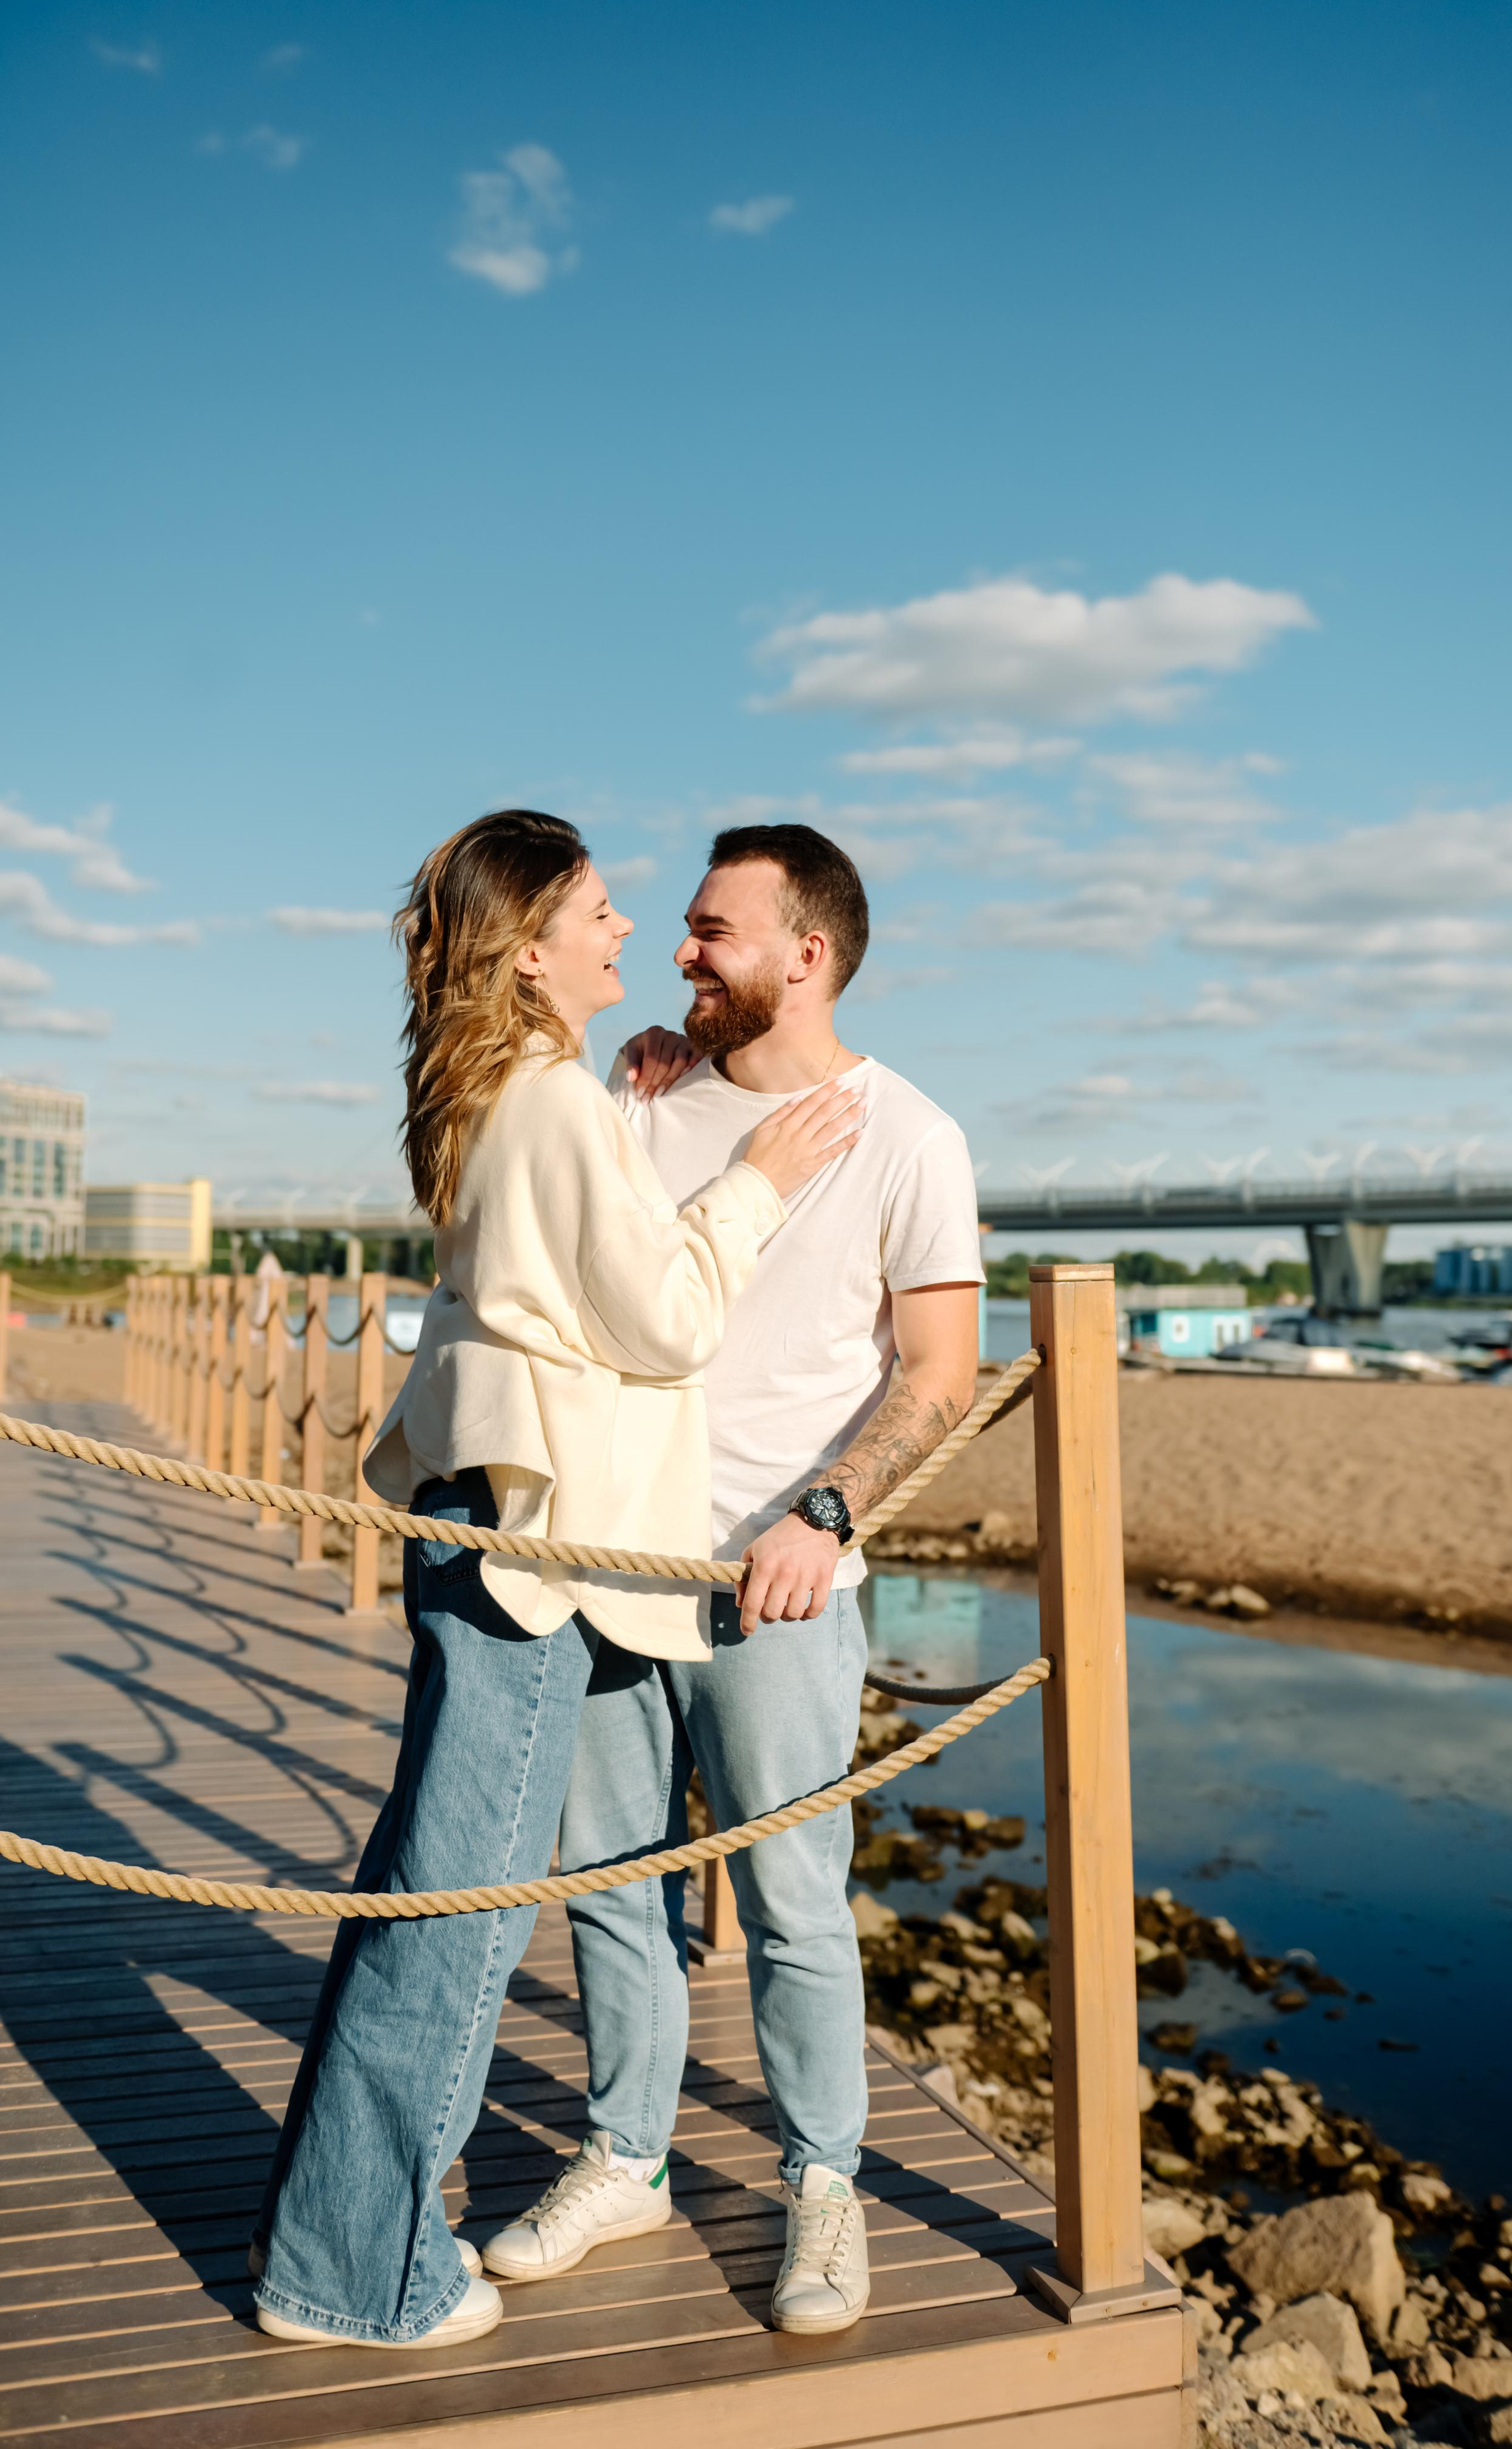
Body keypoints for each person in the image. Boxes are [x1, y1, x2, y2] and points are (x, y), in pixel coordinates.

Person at [249, 809, 859, 2350]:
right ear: (529, 948)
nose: (627, 934)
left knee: (422, 1893)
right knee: (458, 1917)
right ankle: (363, 2278)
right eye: (595, 909)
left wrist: (625, 1112)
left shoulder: (511, 1091)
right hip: (527, 1558)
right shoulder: (549, 1103)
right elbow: (657, 1321)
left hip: (487, 1526)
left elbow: (570, 1296)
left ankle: (336, 2244)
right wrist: (756, 1181)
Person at [481, 823, 983, 2337]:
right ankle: (627, 2156)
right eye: (681, 930)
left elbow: (939, 1372)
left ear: (804, 956)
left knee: (792, 1901)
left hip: (783, 1590)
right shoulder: (638, 1100)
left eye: (711, 931)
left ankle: (822, 2188)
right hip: (607, 1562)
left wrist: (821, 1513)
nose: (679, 952)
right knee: (613, 1891)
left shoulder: (911, 1137)